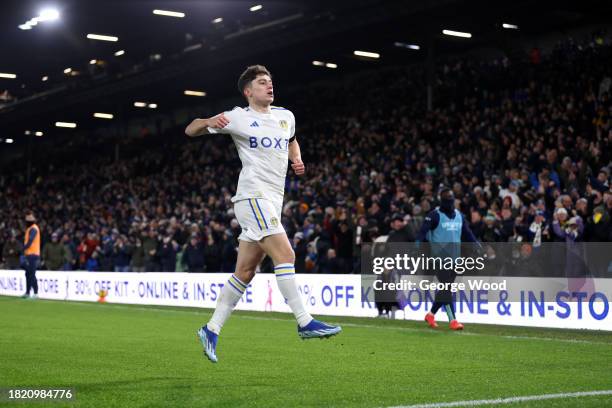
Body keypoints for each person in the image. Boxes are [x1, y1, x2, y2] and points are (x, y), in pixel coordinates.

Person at [186, 64, 341, 363]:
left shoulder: (285, 116)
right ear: (248, 91)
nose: (269, 86)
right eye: (262, 82)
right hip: (251, 197)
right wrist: (208, 120)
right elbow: (190, 129)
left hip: (271, 201)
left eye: (270, 81)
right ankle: (305, 321)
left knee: (245, 272)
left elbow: (292, 140)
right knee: (286, 255)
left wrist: (297, 159)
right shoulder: (238, 117)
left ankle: (211, 329)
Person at [417, 187, 481, 330]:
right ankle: (453, 320)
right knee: (447, 288)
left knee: (445, 290)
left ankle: (430, 314)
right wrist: (416, 246)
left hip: (454, 259)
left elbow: (467, 232)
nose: (449, 202)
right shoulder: (434, 215)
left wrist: (476, 244)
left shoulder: (459, 216)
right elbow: (423, 231)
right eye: (447, 199)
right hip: (439, 259)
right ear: (442, 200)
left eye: (450, 199)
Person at [22, 212, 41, 299]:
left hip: (32, 254)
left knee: (31, 274)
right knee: (28, 273)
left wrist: (24, 248)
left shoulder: (33, 229)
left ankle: (35, 293)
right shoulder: (31, 228)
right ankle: (28, 292)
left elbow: (30, 241)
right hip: (29, 254)